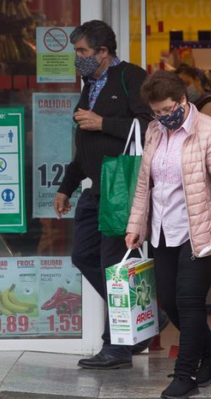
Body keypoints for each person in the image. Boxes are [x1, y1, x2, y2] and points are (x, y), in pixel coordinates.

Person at [125, 71, 211, 399]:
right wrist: (136, 226)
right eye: (155, 112)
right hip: (163, 230)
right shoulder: (154, 131)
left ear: (182, 100)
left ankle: (185, 374)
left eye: (166, 110)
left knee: (189, 303)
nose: (161, 117)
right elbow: (144, 185)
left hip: (201, 231)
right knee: (168, 301)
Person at [53, 20, 159, 370]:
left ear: (102, 52)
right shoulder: (91, 83)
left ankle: (117, 346)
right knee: (84, 257)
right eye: (76, 52)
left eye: (82, 52)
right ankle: (141, 314)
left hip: (121, 187)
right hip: (94, 190)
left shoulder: (131, 77)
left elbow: (151, 126)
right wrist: (67, 185)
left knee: (114, 268)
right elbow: (86, 143)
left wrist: (104, 123)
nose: (78, 58)